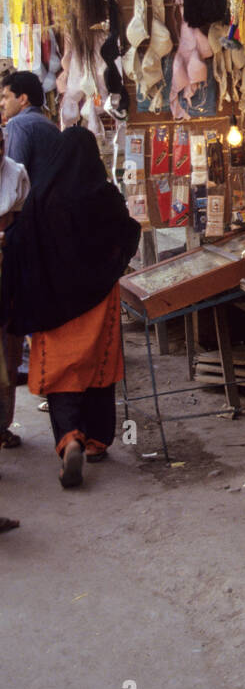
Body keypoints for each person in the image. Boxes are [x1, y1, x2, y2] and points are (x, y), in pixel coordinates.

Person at [0, 126, 140, 490]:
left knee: (61, 376)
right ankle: (95, 441)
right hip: (98, 302)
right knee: (99, 368)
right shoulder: (104, 194)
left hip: (51, 305)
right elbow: (127, 231)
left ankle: (70, 440)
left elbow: (19, 241)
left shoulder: (43, 195)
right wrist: (110, 267)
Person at [0, 127, 30, 450]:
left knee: (8, 354)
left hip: (8, 271)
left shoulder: (17, 173)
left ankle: (2, 425)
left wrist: (9, 239)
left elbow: (24, 223)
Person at [1, 70, 63, 188]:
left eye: (6, 97)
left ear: (23, 99)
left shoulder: (18, 124)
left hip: (31, 202)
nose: (1, 103)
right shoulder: (48, 124)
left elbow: (13, 176)